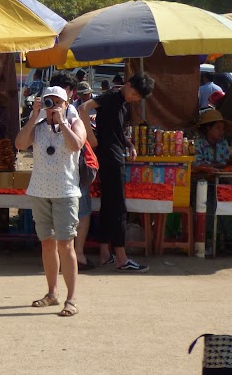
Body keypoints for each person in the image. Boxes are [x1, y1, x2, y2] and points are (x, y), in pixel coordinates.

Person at [15, 86, 87, 317]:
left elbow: (77, 144)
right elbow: (20, 144)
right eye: (49, 102)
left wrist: (63, 122)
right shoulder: (37, 126)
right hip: (40, 191)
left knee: (66, 245)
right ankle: (52, 293)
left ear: (67, 104)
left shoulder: (75, 123)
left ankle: (72, 298)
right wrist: (34, 116)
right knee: (47, 243)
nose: (53, 106)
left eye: (58, 102)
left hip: (66, 192)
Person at [78, 72, 155, 272]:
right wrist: (90, 139)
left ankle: (105, 253)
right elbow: (83, 108)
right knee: (119, 208)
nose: (135, 98)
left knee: (109, 205)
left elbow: (116, 131)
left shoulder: (122, 104)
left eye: (139, 97)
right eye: (135, 93)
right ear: (127, 84)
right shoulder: (112, 97)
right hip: (110, 158)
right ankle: (121, 257)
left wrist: (129, 144)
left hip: (113, 154)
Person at [50, 73, 96, 268]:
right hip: (60, 173)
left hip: (72, 170)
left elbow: (81, 142)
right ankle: (74, 255)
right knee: (80, 213)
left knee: (79, 212)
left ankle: (74, 255)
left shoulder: (73, 113)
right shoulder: (43, 112)